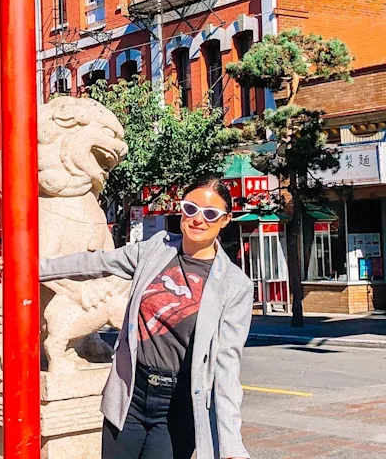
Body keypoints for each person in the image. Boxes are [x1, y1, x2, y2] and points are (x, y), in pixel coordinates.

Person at [40, 176, 252, 459]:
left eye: (210, 214)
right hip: (131, 395)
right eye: (191, 209)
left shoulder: (234, 285)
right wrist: (34, 267)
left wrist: (232, 445)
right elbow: (98, 263)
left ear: (225, 220)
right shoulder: (157, 249)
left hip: (176, 405)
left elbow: (226, 367)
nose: (198, 219)